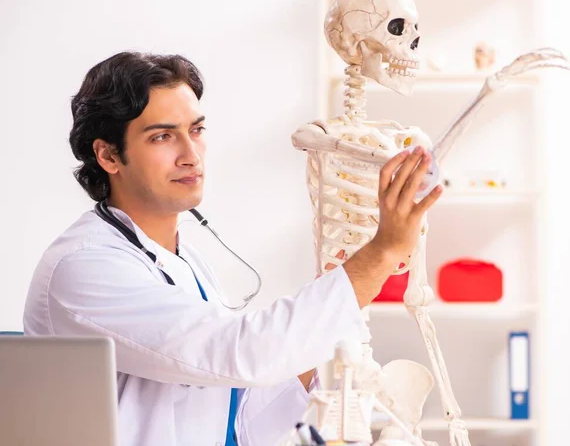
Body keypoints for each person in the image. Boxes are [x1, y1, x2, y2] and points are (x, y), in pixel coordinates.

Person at [23, 51, 442, 446]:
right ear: (109, 155)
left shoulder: (184, 259)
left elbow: (242, 417)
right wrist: (382, 253)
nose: (191, 155)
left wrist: (315, 334)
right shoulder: (85, 267)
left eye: (197, 130)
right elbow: (243, 352)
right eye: (163, 137)